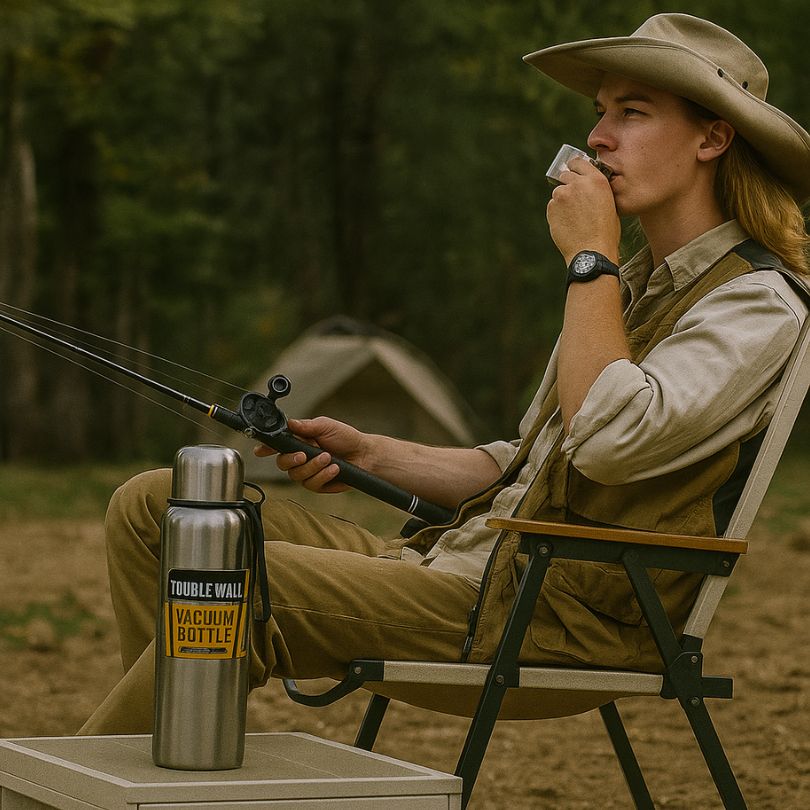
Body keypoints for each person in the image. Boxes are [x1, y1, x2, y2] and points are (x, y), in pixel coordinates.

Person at [80, 13, 810, 733]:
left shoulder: (755, 304)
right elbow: (527, 465)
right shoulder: (629, 287)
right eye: (599, 112)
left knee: (230, 584)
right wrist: (371, 453)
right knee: (156, 509)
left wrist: (589, 257)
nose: (596, 137)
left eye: (633, 112)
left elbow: (608, 442)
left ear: (714, 137)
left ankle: (119, 776)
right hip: (462, 571)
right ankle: (168, 754)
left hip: (550, 618)